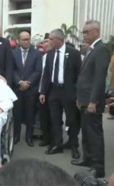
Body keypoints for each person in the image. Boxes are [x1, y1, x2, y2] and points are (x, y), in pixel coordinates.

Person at [72, 20, 111, 178]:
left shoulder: (101, 49)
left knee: (94, 134)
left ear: (95, 31)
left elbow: (99, 78)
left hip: (91, 102)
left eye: (86, 32)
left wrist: (93, 101)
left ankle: (98, 167)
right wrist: (80, 98)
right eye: (83, 32)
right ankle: (87, 158)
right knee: (87, 132)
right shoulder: (92, 49)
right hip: (84, 100)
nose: (84, 35)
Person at [40, 29, 82, 159]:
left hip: (68, 91)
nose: (49, 42)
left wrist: (77, 94)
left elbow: (79, 75)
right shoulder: (50, 54)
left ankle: (73, 145)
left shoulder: (73, 53)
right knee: (55, 119)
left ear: (59, 39)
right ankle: (57, 144)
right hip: (53, 90)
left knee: (72, 119)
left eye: (51, 39)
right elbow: (46, 74)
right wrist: (43, 91)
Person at [12, 31, 42, 147]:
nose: (26, 41)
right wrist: (19, 82)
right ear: (19, 40)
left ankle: (29, 137)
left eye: (28, 39)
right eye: (24, 39)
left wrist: (28, 83)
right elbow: (12, 69)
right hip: (17, 88)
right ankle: (16, 136)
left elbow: (38, 70)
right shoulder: (13, 53)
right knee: (17, 114)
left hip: (31, 89)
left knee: (30, 114)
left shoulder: (37, 54)